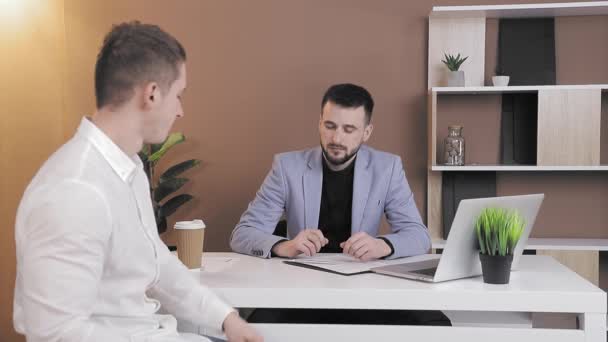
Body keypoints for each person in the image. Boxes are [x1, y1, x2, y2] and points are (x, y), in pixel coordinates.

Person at [13, 21, 262, 342]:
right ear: (153, 94)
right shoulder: (74, 191)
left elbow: (156, 261)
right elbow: (57, 335)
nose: (181, 111)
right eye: (179, 95)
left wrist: (226, 318)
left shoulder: (126, 168)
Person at [230, 83, 448, 326]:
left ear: (366, 132)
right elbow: (242, 234)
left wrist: (383, 245)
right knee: (257, 327)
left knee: (435, 323)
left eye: (349, 129)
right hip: (300, 289)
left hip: (365, 288)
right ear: (319, 123)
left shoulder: (387, 168)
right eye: (330, 126)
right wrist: (285, 246)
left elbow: (419, 236)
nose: (336, 138)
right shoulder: (287, 167)